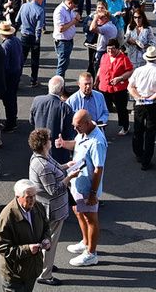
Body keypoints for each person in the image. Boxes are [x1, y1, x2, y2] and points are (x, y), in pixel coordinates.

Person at [56, 110, 106, 268]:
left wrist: (92, 193)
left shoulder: (97, 142)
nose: (75, 129)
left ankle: (91, 254)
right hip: (77, 183)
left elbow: (98, 169)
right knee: (79, 212)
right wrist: (64, 144)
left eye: (77, 126)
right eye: (74, 126)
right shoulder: (83, 132)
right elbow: (77, 143)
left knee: (91, 219)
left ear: (87, 123)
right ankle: (85, 242)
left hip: (87, 187)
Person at [28, 128, 74, 287]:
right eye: (48, 139)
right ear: (44, 144)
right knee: (50, 241)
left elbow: (56, 168)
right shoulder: (42, 166)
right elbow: (53, 190)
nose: (51, 141)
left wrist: (68, 165)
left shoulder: (42, 157)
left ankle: (45, 264)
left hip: (49, 208)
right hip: (52, 209)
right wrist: (69, 178)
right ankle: (45, 274)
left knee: (46, 239)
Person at [0, 179, 51, 292]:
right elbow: (3, 249)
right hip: (15, 276)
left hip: (32, 270)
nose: (33, 200)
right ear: (18, 197)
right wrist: (28, 249)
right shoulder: (7, 217)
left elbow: (46, 227)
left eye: (34, 196)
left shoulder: (38, 207)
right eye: (29, 197)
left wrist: (46, 239)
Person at [127, 44, 156, 170]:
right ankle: (146, 161)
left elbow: (130, 87)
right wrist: (150, 98)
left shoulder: (138, 71)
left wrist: (139, 97)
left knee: (138, 130)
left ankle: (138, 153)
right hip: (153, 105)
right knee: (150, 133)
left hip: (139, 104)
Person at [30, 76, 76, 164]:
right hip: (58, 154)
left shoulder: (37, 101)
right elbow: (69, 132)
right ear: (62, 89)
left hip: (39, 150)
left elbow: (32, 121)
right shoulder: (65, 108)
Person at [96, 38, 134, 136]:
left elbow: (130, 71)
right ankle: (101, 126)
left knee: (121, 108)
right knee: (103, 109)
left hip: (118, 89)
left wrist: (120, 78)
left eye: (113, 49)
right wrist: (96, 80)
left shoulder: (123, 58)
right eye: (108, 49)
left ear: (117, 49)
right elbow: (100, 68)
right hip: (104, 88)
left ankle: (125, 126)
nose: (110, 51)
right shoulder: (104, 56)